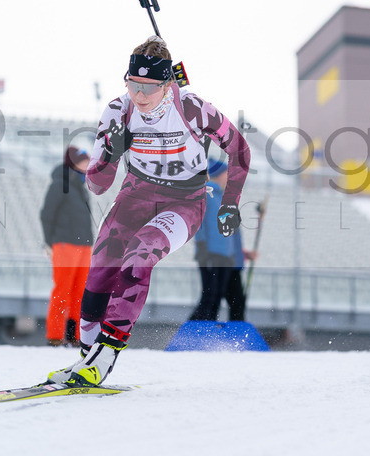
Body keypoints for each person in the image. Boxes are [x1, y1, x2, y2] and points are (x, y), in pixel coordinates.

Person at [45, 35, 250, 387]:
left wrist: (230, 202)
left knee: (140, 257)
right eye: (132, 84)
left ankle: (107, 354)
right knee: (98, 278)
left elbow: (240, 150)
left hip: (185, 201)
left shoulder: (192, 108)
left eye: (149, 88)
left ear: (168, 84)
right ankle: (87, 358)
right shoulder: (117, 111)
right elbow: (96, 185)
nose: (139, 96)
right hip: (135, 196)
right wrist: (111, 151)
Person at [40, 146, 93, 345]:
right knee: (62, 289)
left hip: (84, 245)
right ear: (72, 162)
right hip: (65, 244)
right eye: (82, 161)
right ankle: (55, 336)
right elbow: (47, 214)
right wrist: (49, 242)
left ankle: (75, 336)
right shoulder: (60, 184)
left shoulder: (80, 184)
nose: (87, 164)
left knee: (80, 292)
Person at [189, 159, 254, 322]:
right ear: (217, 175)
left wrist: (240, 255)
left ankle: (207, 333)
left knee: (217, 298)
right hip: (212, 253)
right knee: (210, 296)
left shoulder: (224, 199)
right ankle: (194, 333)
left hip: (225, 255)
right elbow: (199, 223)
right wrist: (202, 247)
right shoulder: (207, 194)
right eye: (227, 174)